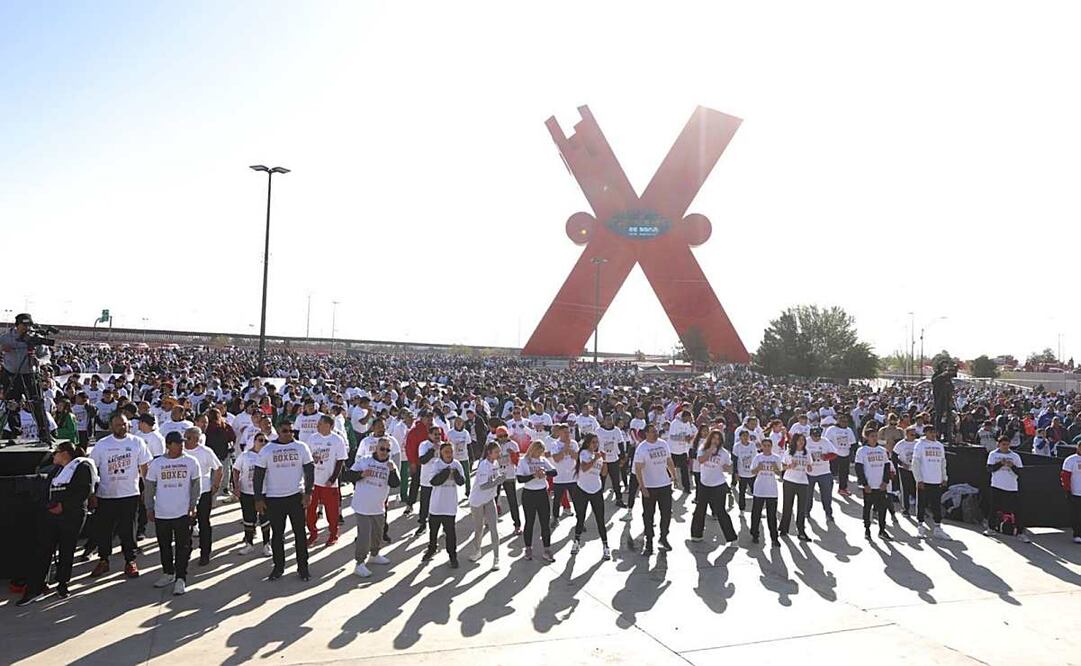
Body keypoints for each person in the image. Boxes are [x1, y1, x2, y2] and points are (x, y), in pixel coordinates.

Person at [17, 441, 97, 606]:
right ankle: (37, 587)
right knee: (44, 549)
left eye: (56, 452)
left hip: (71, 517)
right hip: (51, 517)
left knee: (67, 549)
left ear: (65, 454)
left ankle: (62, 584)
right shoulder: (56, 471)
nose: (54, 456)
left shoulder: (81, 467)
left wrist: (64, 506)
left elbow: (84, 490)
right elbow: (46, 490)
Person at [89, 413, 152, 579]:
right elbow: (92, 469)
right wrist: (92, 493)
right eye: (118, 425)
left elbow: (144, 466)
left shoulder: (137, 442)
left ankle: (130, 561)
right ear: (111, 426)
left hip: (129, 494)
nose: (122, 427)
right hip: (106, 495)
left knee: (127, 529)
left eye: (124, 424)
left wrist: (146, 489)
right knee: (105, 530)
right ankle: (103, 560)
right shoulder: (102, 445)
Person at [253, 423, 314, 581]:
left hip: (296, 497)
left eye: (291, 431)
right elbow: (258, 475)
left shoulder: (301, 447)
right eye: (285, 431)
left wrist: (308, 492)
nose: (289, 434)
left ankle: (303, 568)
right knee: (277, 534)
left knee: (300, 533)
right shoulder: (267, 449)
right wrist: (258, 498)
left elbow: (309, 469)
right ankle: (278, 567)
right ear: (278, 431)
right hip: (274, 498)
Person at [144, 431, 201, 596]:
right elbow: (149, 487)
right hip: (162, 512)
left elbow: (196, 485)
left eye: (182, 442)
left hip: (182, 512)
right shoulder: (157, 464)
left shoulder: (190, 462)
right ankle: (168, 573)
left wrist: (193, 505)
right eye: (177, 443)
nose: (181, 445)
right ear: (168, 445)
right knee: (164, 545)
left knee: (183, 546)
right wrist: (149, 507)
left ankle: (181, 578)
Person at [342, 436, 400, 577]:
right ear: (376, 448)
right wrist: (361, 474)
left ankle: (374, 555)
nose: (384, 452)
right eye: (382, 449)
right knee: (364, 535)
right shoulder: (365, 461)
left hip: (378, 506)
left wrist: (392, 471)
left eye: (387, 450)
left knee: (377, 534)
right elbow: (347, 476)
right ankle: (359, 563)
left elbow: (395, 484)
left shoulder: (390, 465)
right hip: (362, 505)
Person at [634, 423, 677, 556]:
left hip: (664, 485)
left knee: (666, 513)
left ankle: (663, 537)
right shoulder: (642, 448)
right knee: (648, 515)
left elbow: (669, 461)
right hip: (650, 487)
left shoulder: (663, 444)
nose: (655, 433)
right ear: (646, 433)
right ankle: (649, 542)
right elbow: (638, 469)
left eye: (656, 431)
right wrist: (642, 487)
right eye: (652, 431)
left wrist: (674, 475)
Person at [305, 415, 348, 546]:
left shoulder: (337, 440)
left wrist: (333, 478)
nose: (317, 426)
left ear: (329, 425)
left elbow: (340, 461)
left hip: (329, 483)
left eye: (320, 423)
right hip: (313, 482)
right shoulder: (312, 438)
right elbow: (307, 459)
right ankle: (313, 534)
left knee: (332, 511)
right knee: (310, 510)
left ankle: (333, 534)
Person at [183, 426, 223, 565]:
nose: (185, 440)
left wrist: (215, 485)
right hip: (184, 494)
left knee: (204, 523)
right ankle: (185, 552)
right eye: (185, 437)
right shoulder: (180, 451)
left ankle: (205, 553)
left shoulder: (205, 452)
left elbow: (218, 468)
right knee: (185, 525)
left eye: (188, 438)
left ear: (196, 439)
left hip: (203, 492)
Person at [690, 429, 738, 544]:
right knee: (700, 509)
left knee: (720, 511)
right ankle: (696, 534)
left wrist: (728, 468)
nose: (715, 441)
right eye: (713, 438)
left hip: (718, 485)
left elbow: (730, 468)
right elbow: (701, 460)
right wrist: (710, 451)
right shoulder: (703, 448)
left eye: (718, 439)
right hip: (704, 484)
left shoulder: (724, 453)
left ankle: (732, 538)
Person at [423, 441, 465, 568]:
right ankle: (431, 548)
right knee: (433, 530)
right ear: (441, 452)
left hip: (450, 506)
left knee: (450, 533)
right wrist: (446, 473)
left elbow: (461, 481)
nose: (449, 454)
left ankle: (452, 556)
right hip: (436, 505)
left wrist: (455, 474)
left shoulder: (456, 464)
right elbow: (434, 482)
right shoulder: (436, 464)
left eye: (451, 451)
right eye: (446, 452)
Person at [983, 436, 1031, 542]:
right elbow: (990, 469)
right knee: (994, 508)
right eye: (1003, 444)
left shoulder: (1015, 456)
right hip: (996, 485)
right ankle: (990, 528)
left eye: (1007, 445)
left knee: (1017, 510)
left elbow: (1021, 472)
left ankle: (1020, 532)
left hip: (1011, 487)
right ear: (998, 444)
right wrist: (1000, 464)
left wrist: (1012, 466)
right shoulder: (993, 454)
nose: (1005, 447)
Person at [516, 439, 557, 561]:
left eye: (542, 452)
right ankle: (528, 548)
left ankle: (547, 549)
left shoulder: (543, 461)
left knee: (545, 523)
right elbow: (520, 479)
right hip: (529, 494)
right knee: (530, 522)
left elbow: (554, 472)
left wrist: (545, 472)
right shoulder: (524, 461)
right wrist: (534, 475)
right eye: (538, 451)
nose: (540, 454)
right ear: (533, 449)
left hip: (542, 493)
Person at [233, 432, 272, 556]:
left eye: (265, 441)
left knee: (265, 519)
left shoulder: (269, 455)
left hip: (264, 492)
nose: (263, 443)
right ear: (254, 441)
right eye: (260, 440)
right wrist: (236, 486)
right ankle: (249, 544)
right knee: (249, 519)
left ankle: (266, 544)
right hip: (247, 492)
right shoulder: (245, 456)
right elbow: (235, 470)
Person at [571, 433, 610, 559]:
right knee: (581, 518)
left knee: (600, 519)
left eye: (596, 442)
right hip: (582, 489)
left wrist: (604, 460)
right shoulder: (584, 454)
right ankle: (576, 542)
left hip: (596, 489)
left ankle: (605, 546)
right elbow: (584, 468)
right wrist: (595, 459)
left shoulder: (598, 456)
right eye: (593, 442)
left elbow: (604, 473)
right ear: (588, 443)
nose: (595, 444)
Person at [468, 441, 505, 568]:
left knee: (494, 529)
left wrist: (500, 478)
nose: (499, 454)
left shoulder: (495, 463)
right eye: (496, 452)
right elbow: (483, 486)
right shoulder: (483, 465)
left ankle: (496, 558)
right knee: (479, 529)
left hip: (489, 499)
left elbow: (495, 478)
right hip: (477, 501)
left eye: (499, 451)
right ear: (489, 453)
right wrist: (498, 481)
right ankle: (477, 551)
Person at [854, 427, 892, 541]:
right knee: (867, 508)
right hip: (869, 486)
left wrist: (885, 481)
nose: (874, 438)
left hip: (881, 486)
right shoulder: (862, 451)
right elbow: (859, 468)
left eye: (876, 436)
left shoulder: (882, 450)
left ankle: (882, 530)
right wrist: (865, 484)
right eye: (872, 436)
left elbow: (887, 466)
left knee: (882, 509)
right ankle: (867, 529)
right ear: (867, 437)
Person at [912, 425, 949, 539]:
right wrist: (919, 479)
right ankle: (920, 527)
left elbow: (943, 463)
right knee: (921, 504)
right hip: (924, 480)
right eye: (931, 432)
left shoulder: (939, 446)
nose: (933, 434)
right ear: (926, 433)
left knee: (936, 505)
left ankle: (937, 528)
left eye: (934, 432)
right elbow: (915, 463)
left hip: (936, 480)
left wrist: (944, 478)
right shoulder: (920, 445)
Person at [778, 433, 813, 541]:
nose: (801, 442)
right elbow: (781, 466)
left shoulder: (807, 453)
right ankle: (784, 529)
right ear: (795, 441)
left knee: (801, 508)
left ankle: (801, 531)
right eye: (799, 440)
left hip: (803, 482)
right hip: (789, 481)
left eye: (803, 440)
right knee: (787, 506)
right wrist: (789, 466)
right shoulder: (788, 452)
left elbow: (809, 466)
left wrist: (809, 467)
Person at [749, 438, 783, 546]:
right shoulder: (758, 457)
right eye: (765, 446)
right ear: (762, 447)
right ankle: (755, 534)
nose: (767, 448)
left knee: (771, 516)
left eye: (769, 446)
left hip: (771, 490)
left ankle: (774, 537)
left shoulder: (776, 457)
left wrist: (775, 468)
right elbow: (752, 472)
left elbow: (780, 474)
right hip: (759, 489)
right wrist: (758, 468)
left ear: (771, 446)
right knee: (756, 514)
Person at [805, 426, 838, 522]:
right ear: (810, 435)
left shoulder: (825, 441)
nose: (817, 438)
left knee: (826, 495)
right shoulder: (806, 442)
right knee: (808, 495)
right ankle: (806, 512)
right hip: (809, 473)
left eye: (818, 435)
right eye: (814, 436)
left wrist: (826, 456)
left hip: (824, 472)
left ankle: (828, 513)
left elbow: (835, 453)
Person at [548, 424, 579, 528]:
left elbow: (577, 457)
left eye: (568, 432)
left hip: (572, 478)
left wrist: (569, 449)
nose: (567, 434)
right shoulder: (554, 444)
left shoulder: (574, 443)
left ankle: (580, 520)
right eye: (565, 432)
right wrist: (565, 448)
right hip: (559, 478)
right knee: (557, 500)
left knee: (576, 500)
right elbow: (556, 458)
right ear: (559, 433)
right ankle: (555, 518)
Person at [493, 426, 522, 534]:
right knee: (493, 499)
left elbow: (517, 462)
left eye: (505, 435)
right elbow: (488, 460)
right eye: (500, 436)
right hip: (496, 475)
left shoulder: (513, 445)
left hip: (509, 476)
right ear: (497, 437)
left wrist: (512, 454)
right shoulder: (493, 445)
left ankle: (517, 524)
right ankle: (490, 520)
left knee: (512, 501)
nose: (503, 438)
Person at [414, 425, 441, 537]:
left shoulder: (443, 445)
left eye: (439, 434)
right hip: (426, 480)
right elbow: (422, 460)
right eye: (435, 434)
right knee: (425, 504)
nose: (437, 436)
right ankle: (422, 524)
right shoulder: (424, 445)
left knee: (439, 504)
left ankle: (441, 526)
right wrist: (433, 449)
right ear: (429, 435)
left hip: (439, 480)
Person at [597, 414, 626, 507]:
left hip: (614, 459)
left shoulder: (616, 430)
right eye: (607, 420)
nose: (609, 422)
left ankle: (619, 499)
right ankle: (598, 500)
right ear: (603, 421)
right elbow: (594, 445)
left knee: (616, 481)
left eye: (610, 419)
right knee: (601, 481)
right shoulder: (598, 431)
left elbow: (620, 443)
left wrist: (622, 457)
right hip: (602, 460)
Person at [824, 414, 856, 496]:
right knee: (831, 473)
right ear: (838, 421)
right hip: (834, 454)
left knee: (844, 473)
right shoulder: (831, 429)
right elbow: (826, 441)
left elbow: (853, 443)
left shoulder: (849, 430)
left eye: (846, 422)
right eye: (842, 421)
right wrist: (830, 451)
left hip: (845, 454)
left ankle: (842, 488)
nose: (844, 423)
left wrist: (851, 452)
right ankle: (827, 489)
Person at [667, 407, 696, 493]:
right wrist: (683, 437)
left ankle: (686, 488)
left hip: (683, 450)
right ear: (683, 417)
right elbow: (672, 436)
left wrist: (690, 438)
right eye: (687, 418)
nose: (688, 420)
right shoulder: (674, 423)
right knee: (670, 470)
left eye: (689, 419)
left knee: (684, 470)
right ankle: (668, 487)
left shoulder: (687, 423)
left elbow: (689, 434)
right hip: (673, 450)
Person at [892, 426, 918, 517]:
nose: (914, 436)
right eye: (912, 434)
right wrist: (902, 464)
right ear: (906, 434)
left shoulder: (918, 443)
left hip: (915, 469)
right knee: (905, 489)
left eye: (915, 434)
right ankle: (905, 509)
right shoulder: (900, 444)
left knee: (917, 489)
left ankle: (920, 509)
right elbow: (894, 456)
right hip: (904, 469)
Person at [1060, 440, 1081, 544]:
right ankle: (1077, 534)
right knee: (1077, 514)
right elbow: (1065, 476)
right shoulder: (1071, 460)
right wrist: (1067, 490)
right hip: (1076, 492)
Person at [448, 414, 473, 495]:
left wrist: (471, 456)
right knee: (452, 475)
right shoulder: (450, 433)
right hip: (454, 458)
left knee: (466, 474)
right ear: (454, 423)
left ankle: (468, 490)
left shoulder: (465, 433)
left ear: (463, 423)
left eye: (460, 422)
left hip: (464, 457)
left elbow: (469, 445)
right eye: (457, 422)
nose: (458, 424)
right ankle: (451, 491)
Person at [732, 429, 757, 512]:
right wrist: (735, 473)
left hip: (752, 473)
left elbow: (755, 458)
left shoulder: (752, 445)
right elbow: (735, 460)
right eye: (743, 436)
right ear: (740, 437)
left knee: (756, 492)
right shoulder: (737, 446)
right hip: (742, 473)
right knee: (742, 492)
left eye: (747, 436)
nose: (746, 438)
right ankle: (742, 509)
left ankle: (757, 510)